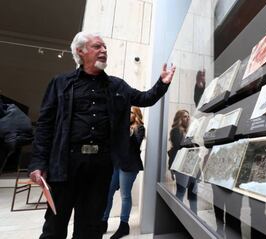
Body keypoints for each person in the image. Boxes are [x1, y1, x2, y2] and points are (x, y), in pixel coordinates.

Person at [28, 31, 175, 239]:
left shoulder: (117, 86)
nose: (104, 50)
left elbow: (144, 98)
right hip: (65, 164)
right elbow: (45, 125)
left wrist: (162, 84)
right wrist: (37, 163)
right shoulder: (61, 83)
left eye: (105, 47)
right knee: (54, 226)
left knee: (90, 228)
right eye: (98, 46)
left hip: (100, 166)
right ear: (81, 51)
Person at [101, 106, 145, 239]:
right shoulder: (121, 126)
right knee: (108, 193)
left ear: (136, 115)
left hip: (130, 166)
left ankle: (124, 225)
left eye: (131, 112)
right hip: (116, 165)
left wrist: (128, 131)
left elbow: (135, 145)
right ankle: (103, 222)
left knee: (125, 195)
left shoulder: (139, 128)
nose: (128, 114)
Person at [168, 110, 198, 212]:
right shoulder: (176, 130)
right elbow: (178, 146)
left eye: (188, 116)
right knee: (181, 192)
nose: (188, 118)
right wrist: (191, 141)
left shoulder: (188, 131)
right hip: (182, 166)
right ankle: (177, 215)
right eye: (185, 116)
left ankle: (195, 216)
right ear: (179, 119)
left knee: (193, 193)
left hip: (191, 165)